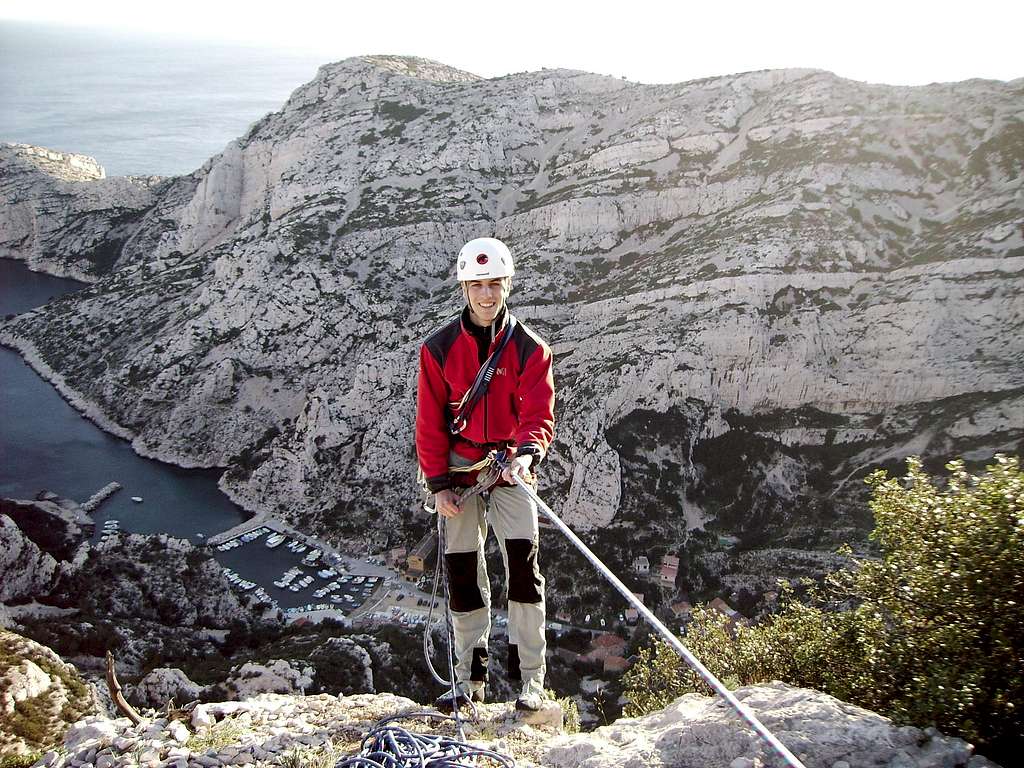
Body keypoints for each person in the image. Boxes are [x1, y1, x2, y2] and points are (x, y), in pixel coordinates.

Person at [415, 236, 555, 712]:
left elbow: (539, 412)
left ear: (507, 285)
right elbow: (429, 421)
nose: (487, 294)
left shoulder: (529, 349)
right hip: (459, 472)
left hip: (510, 469)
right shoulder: (437, 350)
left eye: (494, 283)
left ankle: (530, 683)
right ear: (464, 288)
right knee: (464, 576)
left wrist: (527, 454)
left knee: (523, 570)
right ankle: (466, 683)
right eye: (478, 284)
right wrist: (438, 484)